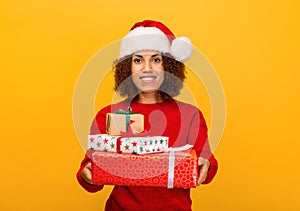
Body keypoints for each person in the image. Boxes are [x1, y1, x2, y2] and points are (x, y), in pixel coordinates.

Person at [76, 20, 218, 211]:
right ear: (127, 68)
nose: (147, 68)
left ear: (168, 66)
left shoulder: (190, 115)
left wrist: (205, 164)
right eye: (138, 60)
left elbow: (207, 165)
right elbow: (90, 178)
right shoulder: (109, 115)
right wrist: (88, 173)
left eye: (156, 59)